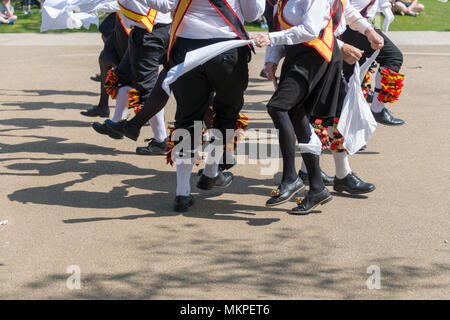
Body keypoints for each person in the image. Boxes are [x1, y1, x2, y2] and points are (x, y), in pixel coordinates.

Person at [130, 0, 265, 212]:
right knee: (226, 114)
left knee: (186, 119)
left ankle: (182, 193)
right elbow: (252, 14)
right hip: (226, 50)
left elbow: (164, 5)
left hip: (187, 50)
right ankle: (211, 171)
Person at [253, 0, 345, 214]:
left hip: (315, 55)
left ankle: (290, 177)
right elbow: (279, 28)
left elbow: (310, 30)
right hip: (297, 57)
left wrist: (270, 38)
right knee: (297, 117)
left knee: (277, 107)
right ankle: (317, 188)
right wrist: (272, 59)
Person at [299, 0, 384, 195]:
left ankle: (315, 171)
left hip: (328, 54)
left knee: (333, 114)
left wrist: (368, 30)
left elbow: (343, 9)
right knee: (321, 116)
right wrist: (341, 46)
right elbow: (306, 28)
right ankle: (337, 174)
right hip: (311, 56)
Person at [91, 0, 172, 156]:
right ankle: (116, 124)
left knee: (147, 90)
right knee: (124, 76)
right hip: (145, 32)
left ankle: (161, 140)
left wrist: (99, 7)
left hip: (151, 33)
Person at [342, 0, 406, 126]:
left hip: (357, 22)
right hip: (356, 23)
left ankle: (346, 132)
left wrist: (385, 7)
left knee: (354, 71)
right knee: (393, 57)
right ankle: (377, 109)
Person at [82, 12, 129, 118]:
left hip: (139, 20)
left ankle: (146, 112)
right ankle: (103, 106)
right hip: (123, 15)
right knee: (105, 60)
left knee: (134, 72)